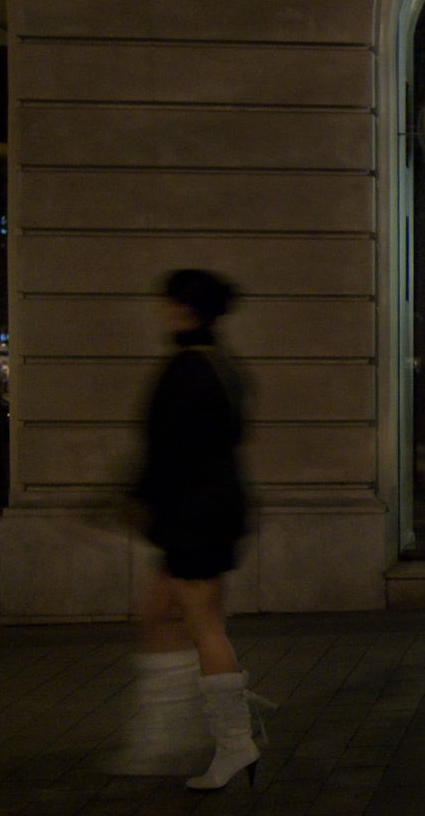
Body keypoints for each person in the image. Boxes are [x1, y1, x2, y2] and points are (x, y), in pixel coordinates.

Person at [111, 268, 263, 791]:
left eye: (169, 303)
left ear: (185, 309)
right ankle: (164, 733)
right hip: (206, 512)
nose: (162, 311)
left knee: (204, 625)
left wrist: (140, 497)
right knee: (157, 613)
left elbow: (170, 450)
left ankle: (233, 741)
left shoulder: (187, 370)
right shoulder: (221, 366)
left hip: (195, 518)